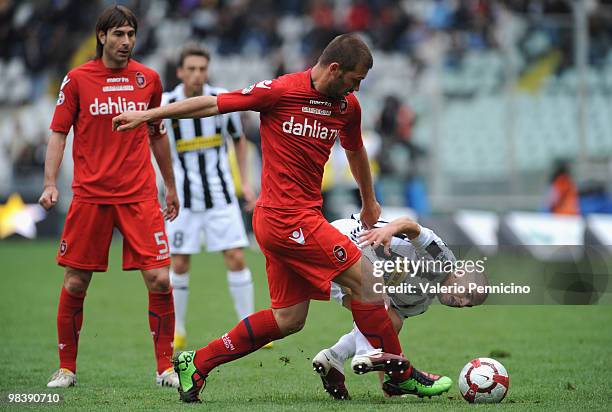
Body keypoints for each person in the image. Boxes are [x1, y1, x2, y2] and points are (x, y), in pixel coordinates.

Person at [113, 34, 450, 403]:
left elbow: (355, 150)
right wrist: (149, 114)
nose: (358, 88)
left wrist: (370, 201)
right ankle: (398, 375)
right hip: (287, 219)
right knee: (369, 284)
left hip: (291, 220)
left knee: (288, 319)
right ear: (334, 69)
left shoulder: (347, 107)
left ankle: (197, 362)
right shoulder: (280, 91)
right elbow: (211, 104)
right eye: (355, 79)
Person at [39, 5, 180, 389]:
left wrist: (169, 184)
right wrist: (50, 182)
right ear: (102, 36)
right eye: (118, 34)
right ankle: (66, 368)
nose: (126, 42)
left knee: (160, 280)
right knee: (75, 284)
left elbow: (158, 135)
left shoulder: (148, 80)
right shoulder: (77, 79)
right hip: (90, 196)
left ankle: (164, 368)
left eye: (131, 35)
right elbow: (58, 133)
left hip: (139, 195)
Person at [313, 215, 488, 399]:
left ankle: (334, 356)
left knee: (392, 321)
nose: (463, 303)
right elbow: (410, 225)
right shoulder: (443, 259)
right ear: (460, 273)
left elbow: (383, 327)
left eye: (469, 305)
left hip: (343, 276)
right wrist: (388, 230)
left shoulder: (420, 304)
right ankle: (364, 353)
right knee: (378, 299)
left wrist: (389, 384)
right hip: (352, 237)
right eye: (468, 294)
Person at [161, 45, 259, 350]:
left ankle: (250, 326)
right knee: (178, 263)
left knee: (236, 257)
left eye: (202, 68)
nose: (197, 74)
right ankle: (177, 329)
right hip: (183, 200)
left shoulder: (221, 100)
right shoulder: (167, 104)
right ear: (180, 72)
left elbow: (239, 140)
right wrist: (164, 185)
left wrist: (245, 183)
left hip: (220, 196)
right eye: (190, 68)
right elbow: (156, 146)